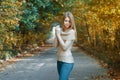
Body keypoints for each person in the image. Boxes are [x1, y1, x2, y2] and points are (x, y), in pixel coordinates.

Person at [54, 11, 77, 80]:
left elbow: (64, 47)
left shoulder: (72, 32)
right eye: (66, 20)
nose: (67, 23)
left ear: (72, 22)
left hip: (67, 62)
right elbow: (55, 45)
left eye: (69, 21)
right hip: (59, 60)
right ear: (63, 21)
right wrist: (56, 33)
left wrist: (58, 35)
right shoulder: (60, 31)